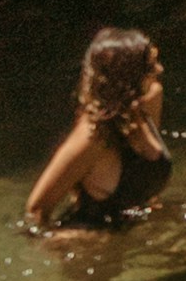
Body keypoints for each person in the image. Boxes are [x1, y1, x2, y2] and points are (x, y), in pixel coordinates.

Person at [26, 27, 171, 237]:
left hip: (131, 230)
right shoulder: (92, 137)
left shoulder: (149, 100)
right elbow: (36, 210)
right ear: (127, 76)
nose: (159, 69)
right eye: (149, 66)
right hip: (90, 242)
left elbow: (144, 178)